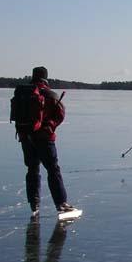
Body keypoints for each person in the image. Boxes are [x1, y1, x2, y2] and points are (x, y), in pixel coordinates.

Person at [13, 66, 78, 217]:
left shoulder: (23, 93)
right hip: (44, 138)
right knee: (53, 169)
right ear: (45, 78)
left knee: (32, 169)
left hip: (25, 137)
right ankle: (61, 203)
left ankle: (34, 204)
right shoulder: (49, 94)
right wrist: (50, 126)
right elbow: (60, 114)